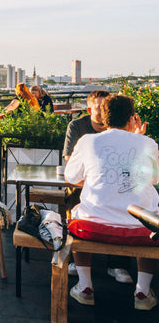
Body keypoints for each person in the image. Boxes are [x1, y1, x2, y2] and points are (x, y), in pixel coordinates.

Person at [65, 94, 159, 310]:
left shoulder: (88, 141)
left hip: (93, 227)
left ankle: (85, 286)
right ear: (132, 118)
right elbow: (155, 179)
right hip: (141, 230)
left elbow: (71, 177)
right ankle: (143, 291)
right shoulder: (147, 143)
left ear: (104, 118)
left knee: (79, 212)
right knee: (152, 217)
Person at [64, 90, 134, 283]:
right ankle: (77, 260)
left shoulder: (122, 131)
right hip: (82, 186)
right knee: (76, 198)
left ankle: (117, 264)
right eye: (99, 108)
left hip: (105, 185)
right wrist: (102, 180)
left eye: (107, 108)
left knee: (122, 200)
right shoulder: (78, 127)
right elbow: (70, 162)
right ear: (89, 109)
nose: (104, 113)